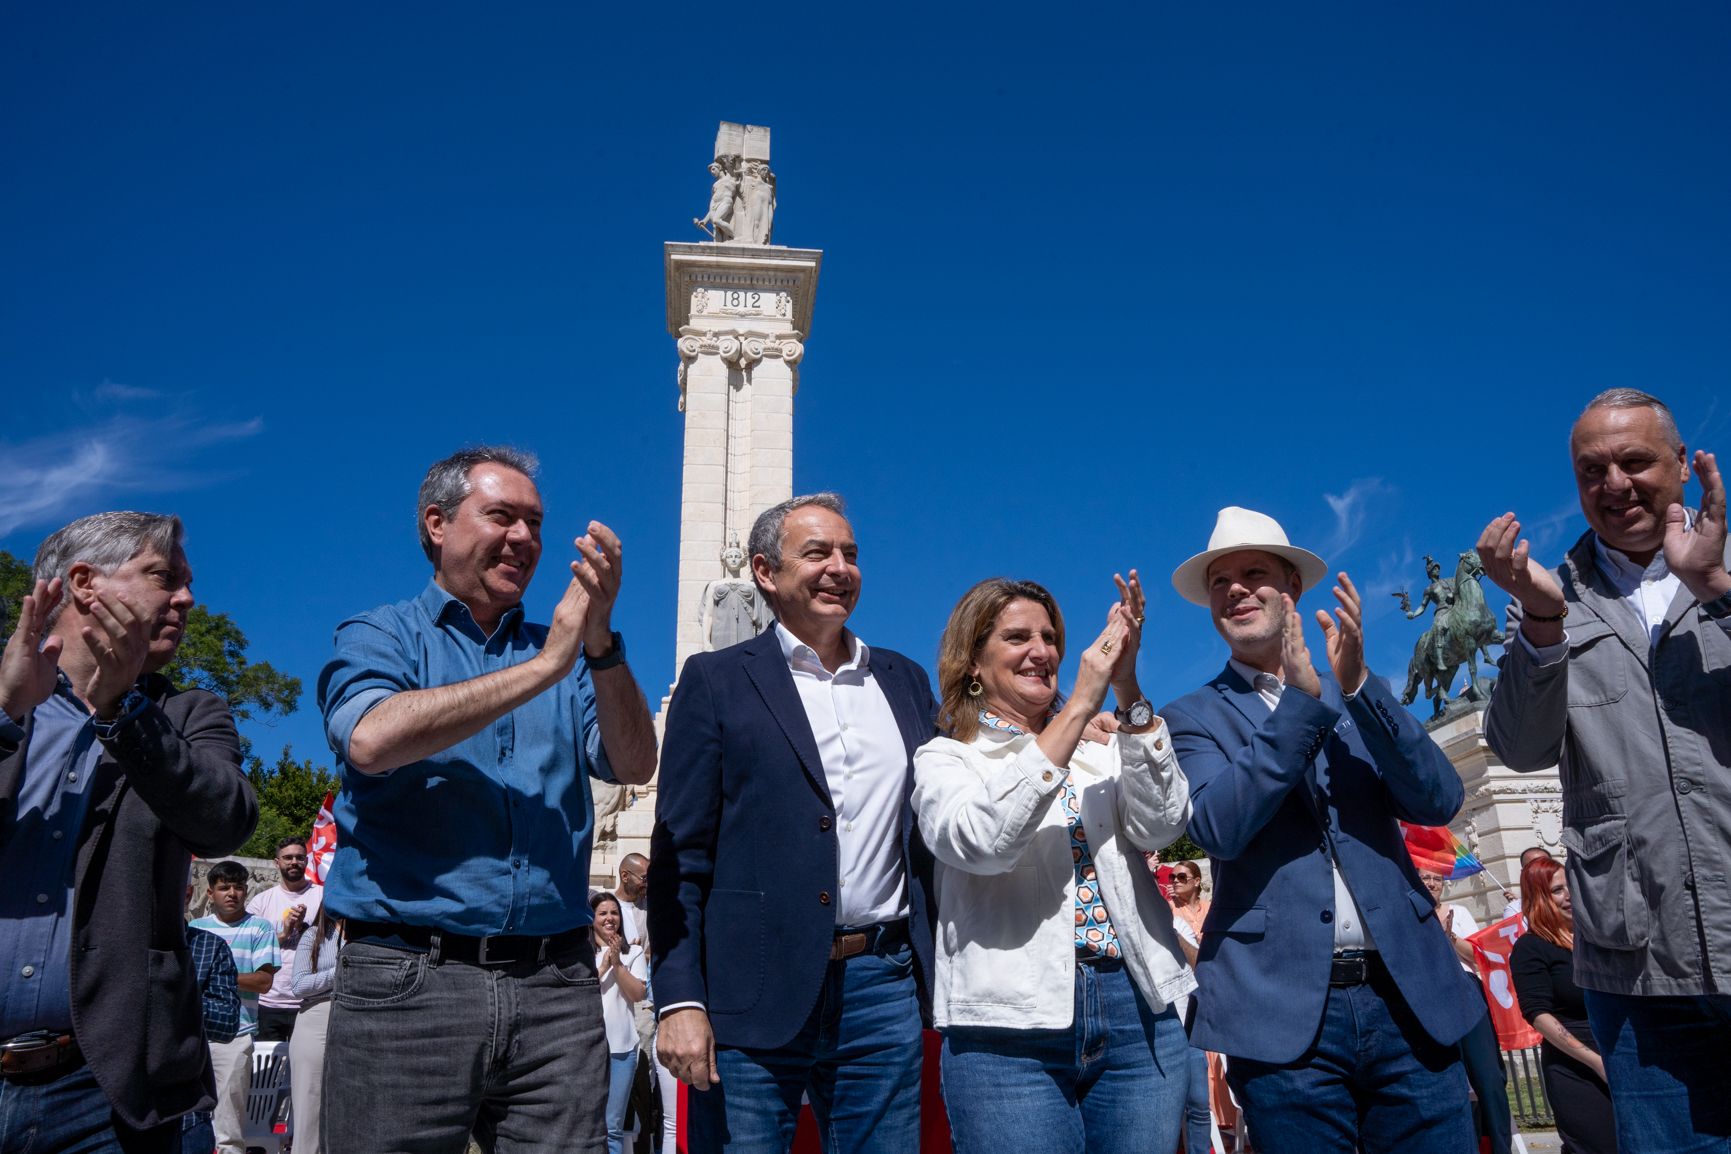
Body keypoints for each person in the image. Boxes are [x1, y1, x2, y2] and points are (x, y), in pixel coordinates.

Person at [316, 446, 659, 1154]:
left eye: (535, 523)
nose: (524, 538)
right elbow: (372, 741)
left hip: (556, 984)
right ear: (436, 524)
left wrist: (598, 647)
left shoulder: (569, 653)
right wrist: (544, 667)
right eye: (501, 516)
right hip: (410, 981)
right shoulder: (382, 633)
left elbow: (633, 760)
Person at [1160, 507, 1481, 1154]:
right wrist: (1302, 709)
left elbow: (1438, 800)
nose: (1235, 589)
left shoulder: (1360, 694)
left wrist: (1358, 684)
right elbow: (1218, 828)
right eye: (1219, 581)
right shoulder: (1190, 717)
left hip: (1408, 1002)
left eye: (1254, 573)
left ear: (1291, 591)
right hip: (1280, 1016)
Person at [1477, 388, 1731, 1152]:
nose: (1614, 484)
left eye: (1634, 462)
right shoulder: (1554, 598)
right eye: (1592, 470)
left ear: (1682, 465)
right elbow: (1517, 748)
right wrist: (1542, 623)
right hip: (1638, 967)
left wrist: (1715, 589)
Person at [650, 492, 938, 1154]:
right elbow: (680, 856)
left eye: (850, 554)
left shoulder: (902, 680)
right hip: (751, 989)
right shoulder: (717, 679)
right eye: (817, 553)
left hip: (882, 984)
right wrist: (679, 999)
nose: (839, 568)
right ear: (763, 571)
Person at [0, 510, 256, 1154]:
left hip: (108, 1095)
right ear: (85, 583)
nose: (187, 598)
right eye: (163, 576)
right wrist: (5, 716)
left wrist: (125, 713)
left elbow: (224, 819)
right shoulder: (7, 703)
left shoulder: (186, 714)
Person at [913, 575, 1194, 1154]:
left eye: (1049, 637)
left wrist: (1127, 687)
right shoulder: (946, 758)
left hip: (1135, 1009)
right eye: (1017, 637)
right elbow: (982, 841)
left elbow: (1164, 824)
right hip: (1006, 1027)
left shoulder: (1103, 744)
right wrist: (1082, 707)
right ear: (972, 662)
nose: (1041, 652)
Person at [1510, 857, 1617, 1154]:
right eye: (1558, 890)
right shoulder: (1530, 948)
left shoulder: (1595, 938)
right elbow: (1537, 1014)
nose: (1569, 896)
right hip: (1575, 1067)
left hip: (1620, 1053)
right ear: (1539, 898)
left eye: (1570, 886)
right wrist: (1596, 1062)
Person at [1417, 869, 1513, 1154]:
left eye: (1437, 879)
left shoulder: (1458, 912)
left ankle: (1499, 1146)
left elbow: (1477, 955)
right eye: (1425, 878)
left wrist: (1450, 937)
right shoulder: (1409, 916)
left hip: (1466, 992)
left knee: (1489, 1078)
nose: (1432, 884)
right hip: (1428, 999)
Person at [190, 861, 281, 1154]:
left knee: (227, 1123)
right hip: (192, 1033)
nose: (232, 893)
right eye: (224, 887)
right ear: (210, 893)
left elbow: (264, 981)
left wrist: (217, 974)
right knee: (186, 1118)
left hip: (236, 1035)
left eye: (238, 887)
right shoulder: (194, 928)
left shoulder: (259, 927)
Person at [1167, 861, 1224, 1154]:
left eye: (1181, 876)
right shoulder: (1172, 911)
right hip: (1160, 1028)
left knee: (1200, 1106)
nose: (1174, 882)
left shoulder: (1177, 922)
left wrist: (1174, 936)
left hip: (1189, 1024)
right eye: (1170, 877)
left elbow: (1200, 965)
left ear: (1197, 881)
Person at [245, 836, 323, 1042]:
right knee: (266, 1070)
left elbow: (332, 946)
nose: (294, 862)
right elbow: (250, 952)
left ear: (307, 861)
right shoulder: (260, 902)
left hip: (310, 1002)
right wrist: (285, 933)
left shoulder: (323, 897)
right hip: (269, 1002)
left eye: (299, 857)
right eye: (288, 857)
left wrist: (305, 928)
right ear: (276, 862)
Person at [593, 892, 648, 1154]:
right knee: (584, 1122)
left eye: (614, 913)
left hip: (621, 1051)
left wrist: (617, 964)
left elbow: (638, 994)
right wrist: (602, 967)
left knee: (612, 1125)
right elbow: (579, 991)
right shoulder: (580, 954)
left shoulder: (634, 953)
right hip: (586, 1050)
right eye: (602, 913)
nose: (609, 918)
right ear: (592, 919)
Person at [287, 908, 345, 1154]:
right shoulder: (314, 935)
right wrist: (341, 973)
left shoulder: (373, 937)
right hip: (317, 1017)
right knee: (309, 1106)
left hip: (360, 1018)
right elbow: (299, 985)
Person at [181, 922, 241, 1154]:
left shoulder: (210, 946)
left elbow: (227, 1023)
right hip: (119, 1112)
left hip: (186, 1115)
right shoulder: (114, 942)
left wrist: (177, 997)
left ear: (186, 894)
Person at [1501, 847, 1556, 918]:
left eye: (1544, 864)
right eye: (1532, 866)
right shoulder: (1514, 910)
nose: (1539, 870)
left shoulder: (1569, 897)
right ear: (1523, 873)